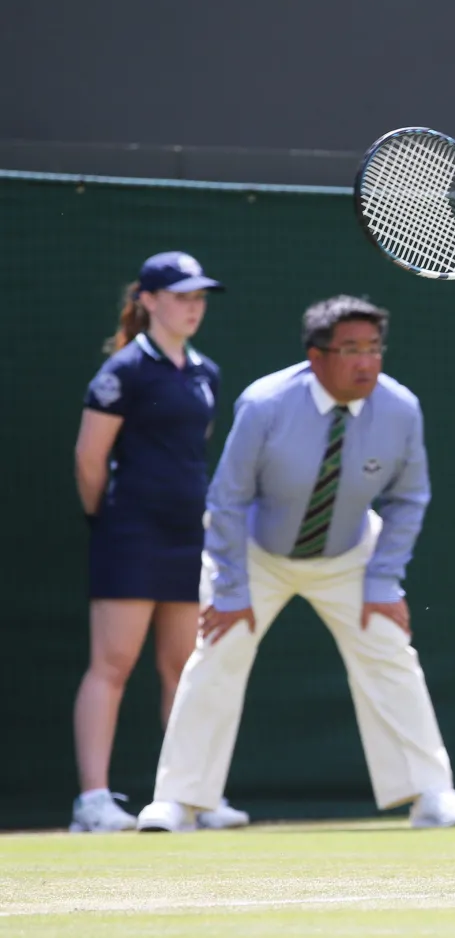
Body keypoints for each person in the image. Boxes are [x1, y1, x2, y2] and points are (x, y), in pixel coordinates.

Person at [136, 296, 455, 831]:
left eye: (373, 348)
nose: (366, 362)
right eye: (350, 350)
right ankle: (180, 802)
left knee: (390, 650)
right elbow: (226, 501)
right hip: (254, 554)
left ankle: (432, 794)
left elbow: (409, 499)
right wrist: (231, 589)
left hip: (349, 554)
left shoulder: (400, 408)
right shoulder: (265, 404)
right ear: (316, 357)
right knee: (216, 654)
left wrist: (383, 579)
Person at [71, 251, 247, 833]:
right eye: (180, 296)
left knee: (184, 668)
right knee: (113, 665)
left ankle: (188, 795)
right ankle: (93, 802)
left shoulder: (206, 372)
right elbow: (90, 460)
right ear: (147, 300)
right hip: (129, 534)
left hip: (186, 537)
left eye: (199, 297)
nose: (193, 307)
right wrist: (113, 522)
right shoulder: (122, 371)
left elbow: (194, 450)